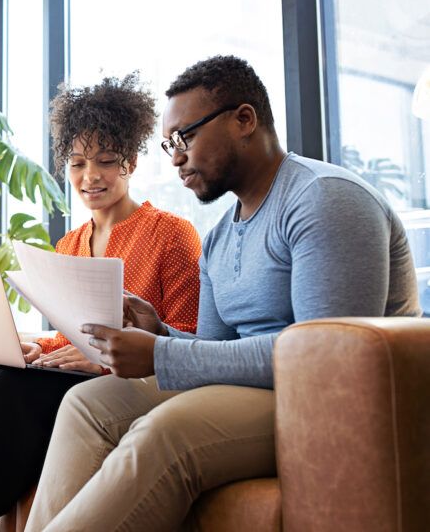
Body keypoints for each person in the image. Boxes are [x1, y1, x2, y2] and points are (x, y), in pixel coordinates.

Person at [25, 55, 422, 532]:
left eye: (185, 137)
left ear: (244, 120)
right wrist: (162, 333)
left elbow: (320, 362)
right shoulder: (217, 239)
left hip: (328, 401)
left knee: (166, 431)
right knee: (87, 405)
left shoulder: (323, 199)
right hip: (261, 389)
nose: (175, 158)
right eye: (169, 143)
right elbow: (214, 355)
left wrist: (162, 353)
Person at [0, 74, 202, 532]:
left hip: (131, 384)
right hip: (71, 379)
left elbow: (187, 339)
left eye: (105, 161)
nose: (90, 176)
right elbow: (68, 333)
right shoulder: (69, 244)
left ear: (131, 163)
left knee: (6, 394)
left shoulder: (172, 234)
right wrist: (38, 351)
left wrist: (100, 361)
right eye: (78, 163)